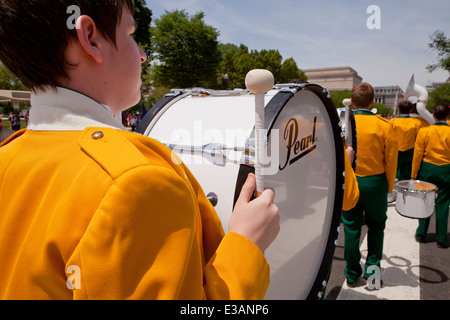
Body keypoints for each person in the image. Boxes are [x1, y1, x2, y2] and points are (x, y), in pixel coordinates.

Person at [0, 0, 279, 299]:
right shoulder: (136, 182)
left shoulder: (7, 157)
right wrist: (245, 245)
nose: (143, 55)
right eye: (131, 35)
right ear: (90, 38)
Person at [341, 83, 398, 288]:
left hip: (351, 181)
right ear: (372, 101)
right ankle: (373, 275)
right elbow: (391, 161)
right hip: (375, 183)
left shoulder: (344, 124)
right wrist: (389, 187)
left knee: (351, 229)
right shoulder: (384, 125)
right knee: (376, 227)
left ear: (352, 101)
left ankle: (352, 273)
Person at [411, 104, 450, 248]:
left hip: (427, 168)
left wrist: (414, 173)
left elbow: (418, 154)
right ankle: (441, 238)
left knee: (425, 201)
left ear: (433, 115)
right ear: (448, 116)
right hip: (446, 168)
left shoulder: (424, 131)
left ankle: (421, 232)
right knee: (443, 204)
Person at [390, 100, 424, 180]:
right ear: (411, 110)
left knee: (394, 173)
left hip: (395, 151)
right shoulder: (417, 123)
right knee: (406, 176)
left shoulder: (392, 122)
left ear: (399, 109)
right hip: (410, 152)